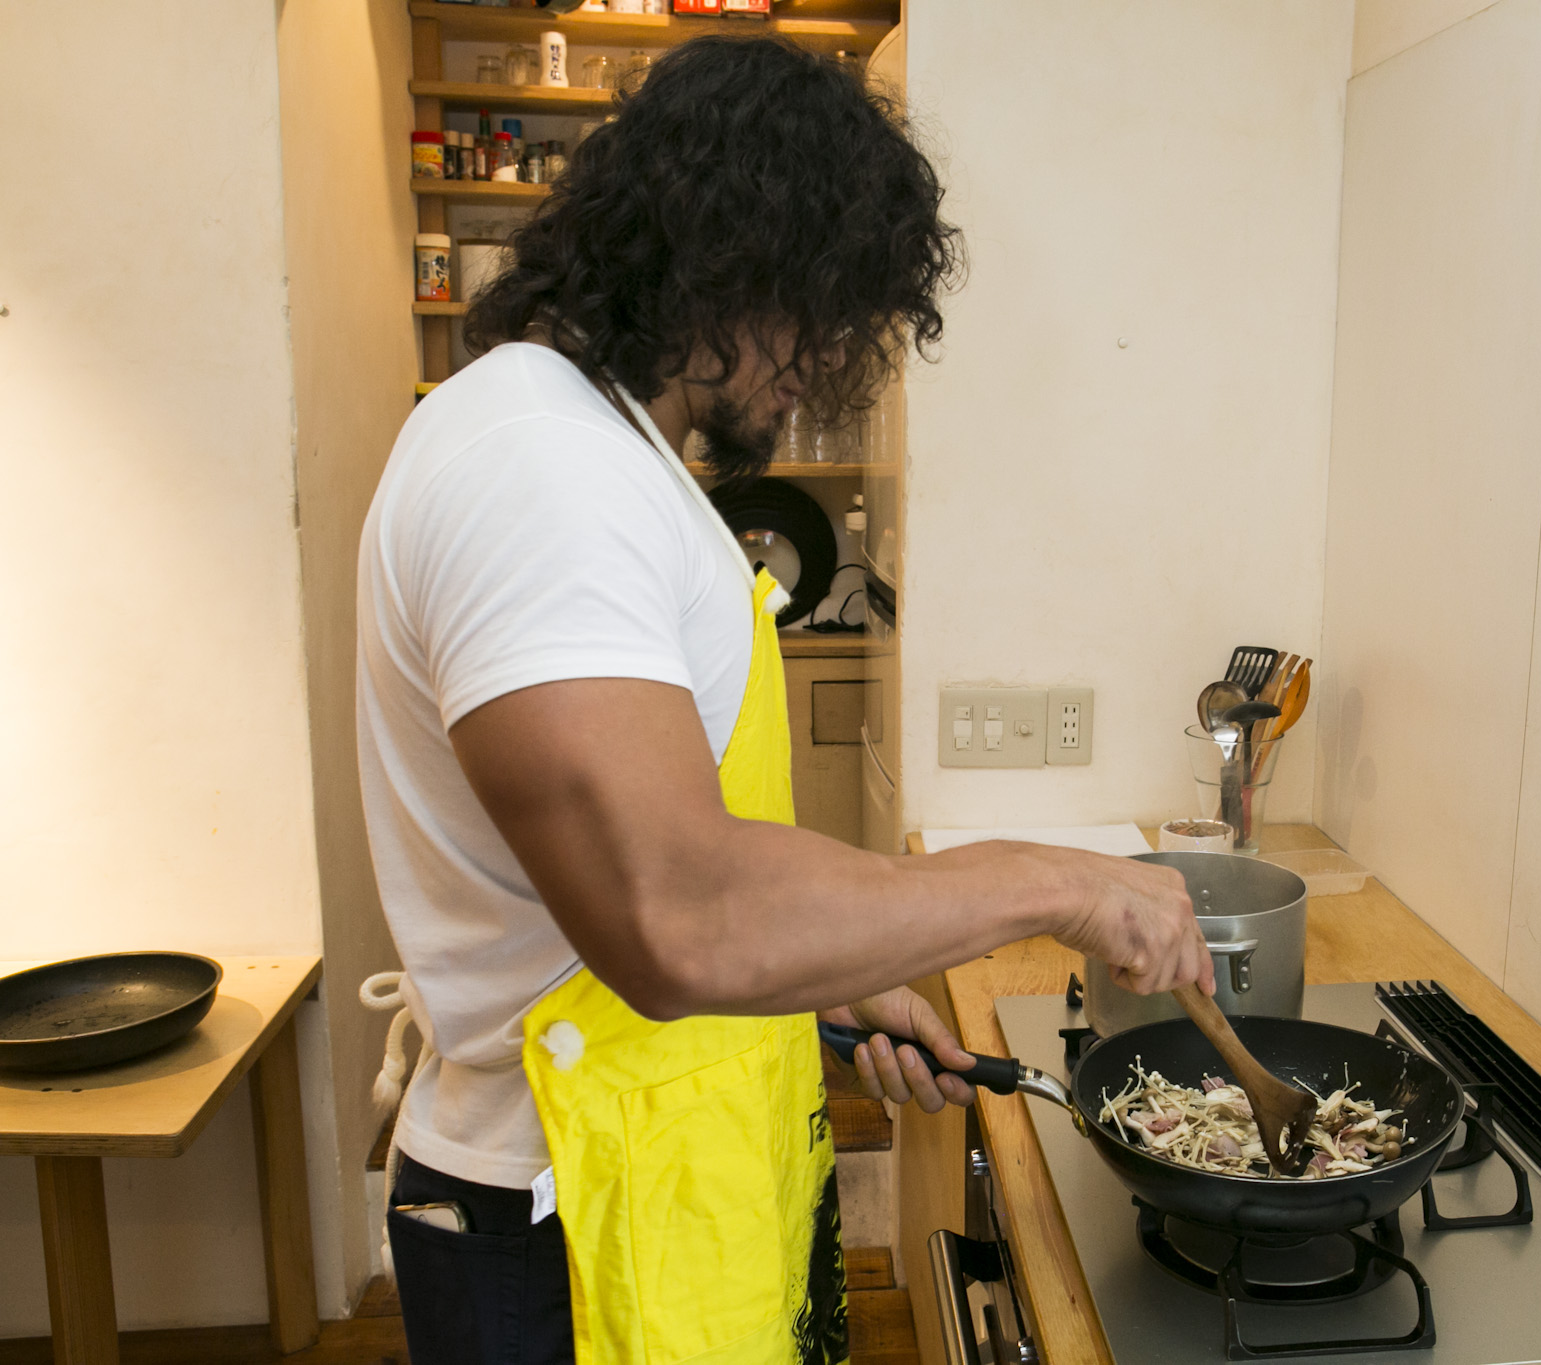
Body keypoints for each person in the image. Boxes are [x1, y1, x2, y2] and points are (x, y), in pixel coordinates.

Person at [356, 36, 1209, 1365]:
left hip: (651, 1183)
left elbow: (641, 882)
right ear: (729, 254)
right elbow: (678, 913)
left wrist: (829, 990)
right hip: (565, 1231)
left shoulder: (598, 451)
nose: (834, 356)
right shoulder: (539, 469)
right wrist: (1060, 882)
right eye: (827, 304)